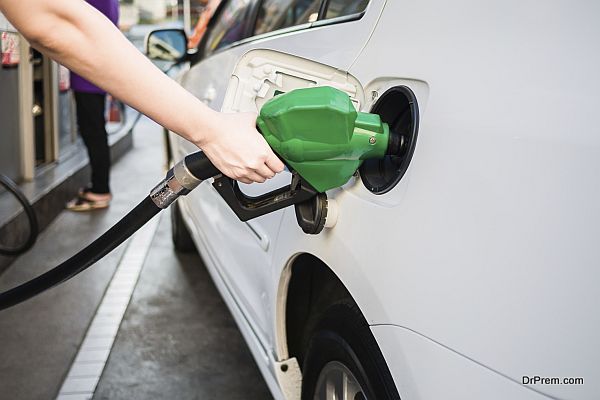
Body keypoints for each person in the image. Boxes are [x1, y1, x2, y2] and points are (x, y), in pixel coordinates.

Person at [0, 0, 284, 191]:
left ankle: (99, 190)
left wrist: (212, 132)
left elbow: (57, 24)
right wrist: (212, 131)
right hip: (90, 79)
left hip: (87, 81)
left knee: (93, 131)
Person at [67, 0, 119, 211]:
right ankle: (99, 186)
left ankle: (100, 190)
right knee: (94, 130)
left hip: (88, 70)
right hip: (93, 69)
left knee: (93, 131)